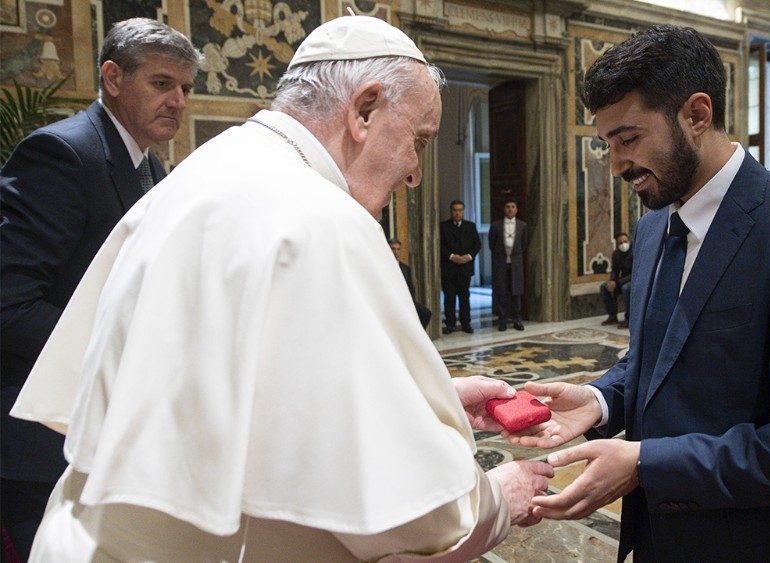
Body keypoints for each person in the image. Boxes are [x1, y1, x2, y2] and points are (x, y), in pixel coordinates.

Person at [10, 16, 553, 560]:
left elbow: (241, 389)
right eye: (418, 140)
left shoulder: (209, 169)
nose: (415, 173)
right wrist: (494, 499)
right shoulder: (322, 219)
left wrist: (424, 402)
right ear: (364, 110)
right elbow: (414, 517)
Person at [505, 24, 770, 561]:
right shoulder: (656, 226)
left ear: (696, 115)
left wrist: (646, 463)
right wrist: (602, 400)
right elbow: (664, 359)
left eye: (628, 139)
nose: (617, 164)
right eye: (607, 144)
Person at [0, 18, 200, 559]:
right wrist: (127, 352)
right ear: (112, 77)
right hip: (42, 437)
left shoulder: (151, 168)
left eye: (185, 88)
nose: (178, 101)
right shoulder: (62, 154)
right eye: (162, 84)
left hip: (103, 433)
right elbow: (10, 306)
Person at [440, 200, 481, 334]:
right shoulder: (443, 226)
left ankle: (466, 323)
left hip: (465, 268)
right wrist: (452, 256)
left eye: (460, 210)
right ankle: (450, 323)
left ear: (463, 211)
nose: (457, 213)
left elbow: (477, 244)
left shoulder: (470, 226)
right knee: (449, 297)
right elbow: (440, 245)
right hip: (449, 268)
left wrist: (468, 256)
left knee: (465, 297)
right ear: (451, 211)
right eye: (455, 210)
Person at [488, 199, 527, 331]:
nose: (510, 209)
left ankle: (517, 319)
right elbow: (491, 245)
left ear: (516, 209)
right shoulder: (495, 225)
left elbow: (524, 244)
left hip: (516, 264)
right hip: (501, 264)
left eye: (513, 207)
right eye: (508, 207)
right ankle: (502, 320)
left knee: (516, 293)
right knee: (501, 292)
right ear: (504, 209)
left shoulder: (522, 225)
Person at [390, 238, 433, 329]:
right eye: (393, 249)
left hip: (407, 301)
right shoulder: (383, 267)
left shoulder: (405, 268)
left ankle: (419, 336)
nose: (396, 252)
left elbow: (411, 287)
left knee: (426, 313)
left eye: (398, 249)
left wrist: (410, 302)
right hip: (392, 302)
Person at [599, 232, 634, 329]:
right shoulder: (616, 254)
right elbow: (615, 270)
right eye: (621, 243)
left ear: (629, 241)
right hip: (622, 280)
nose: (623, 244)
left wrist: (617, 283)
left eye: (625, 241)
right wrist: (611, 282)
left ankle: (629, 319)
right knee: (604, 287)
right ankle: (612, 316)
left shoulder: (635, 251)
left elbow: (636, 273)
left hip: (635, 280)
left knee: (626, 288)